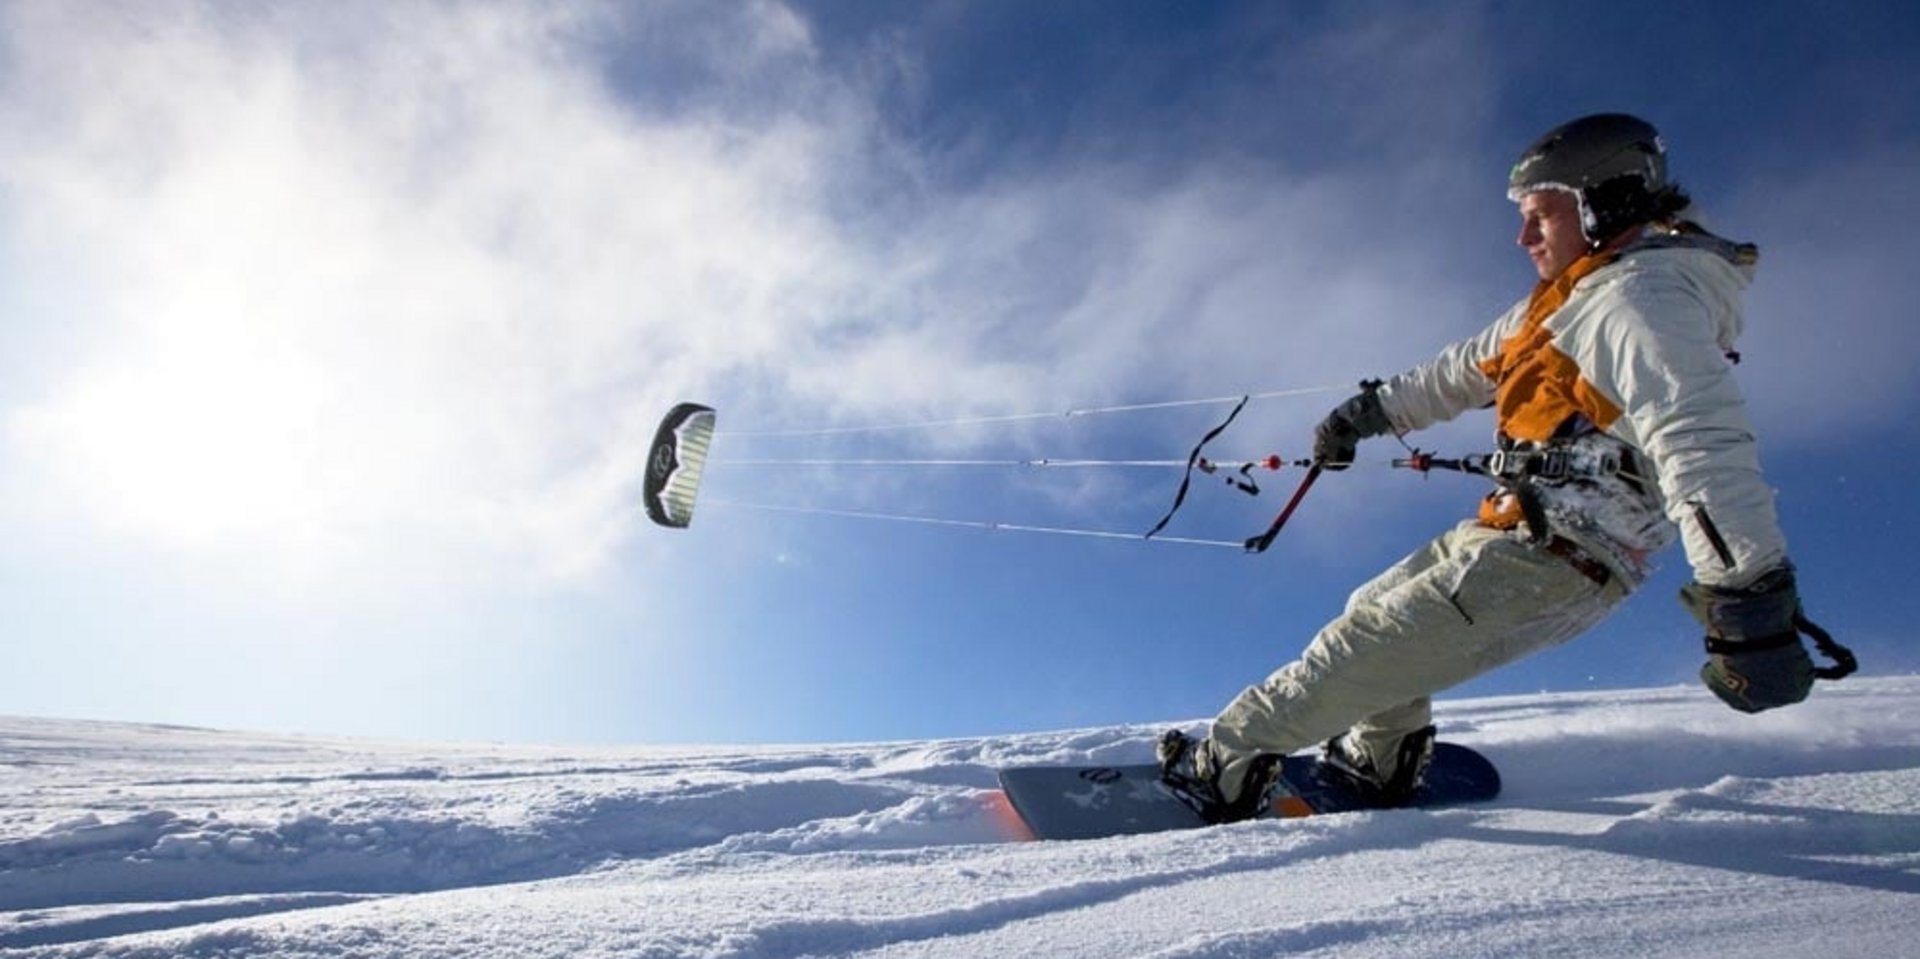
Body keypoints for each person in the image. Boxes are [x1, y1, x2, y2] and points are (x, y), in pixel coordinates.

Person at [1157, 113, 1844, 822]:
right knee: (1370, 604)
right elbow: (1463, 368)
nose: (1523, 238)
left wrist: (1748, 599)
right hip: (1517, 531)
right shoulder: (1576, 296)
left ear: (1604, 202)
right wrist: (1369, 414)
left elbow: (1700, 442)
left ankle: (1226, 765)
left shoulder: (1641, 301)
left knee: (1357, 643)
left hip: (1566, 555)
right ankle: (1383, 758)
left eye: (1541, 216)